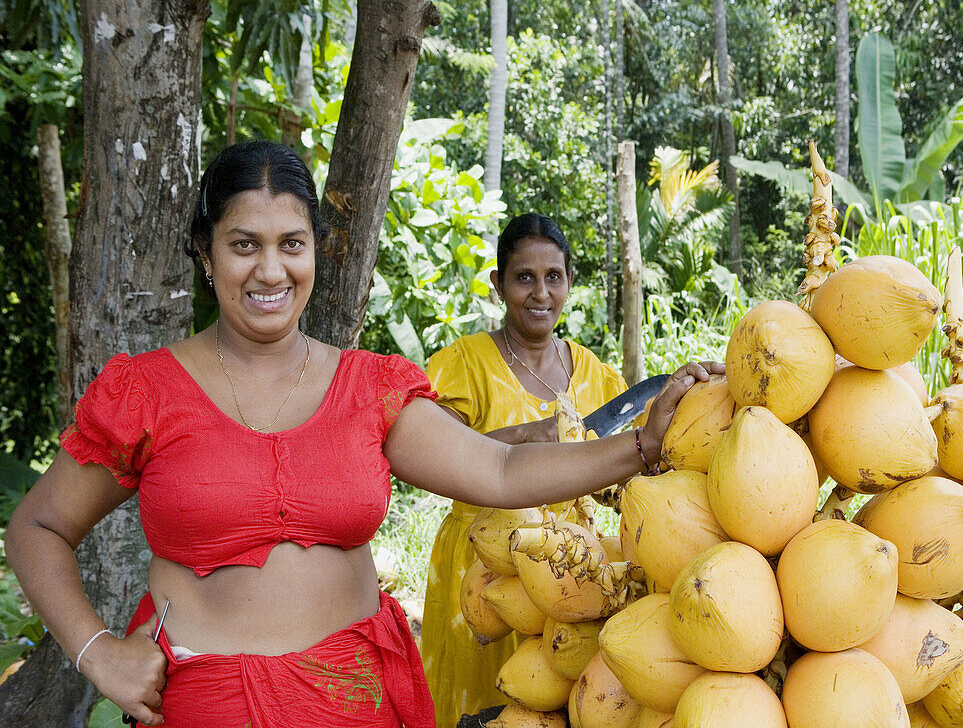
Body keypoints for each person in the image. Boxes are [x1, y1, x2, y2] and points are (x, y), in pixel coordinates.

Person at [5, 140, 719, 728]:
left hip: (356, 699)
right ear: (204, 250)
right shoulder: (148, 391)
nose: (270, 269)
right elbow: (37, 524)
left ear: (316, 248)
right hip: (200, 703)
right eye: (243, 244)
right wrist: (97, 651)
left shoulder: (368, 386)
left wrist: (641, 446)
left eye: (291, 243)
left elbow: (500, 472)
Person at [420, 213, 627, 726]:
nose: (540, 293)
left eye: (553, 277)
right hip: (482, 574)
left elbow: (628, 470)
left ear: (569, 283)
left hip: (571, 575)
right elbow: (429, 456)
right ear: (498, 285)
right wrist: (525, 435)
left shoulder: (600, 378)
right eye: (524, 277)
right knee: (484, 707)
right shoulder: (463, 364)